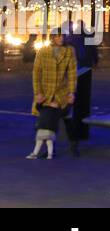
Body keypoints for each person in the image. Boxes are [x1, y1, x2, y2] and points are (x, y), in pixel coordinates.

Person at [29, 31, 76, 159]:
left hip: (61, 91)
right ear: (53, 37)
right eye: (58, 36)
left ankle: (73, 145)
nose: (61, 38)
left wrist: (71, 92)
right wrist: (37, 92)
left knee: (67, 119)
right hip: (45, 92)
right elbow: (36, 73)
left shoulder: (69, 51)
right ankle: (50, 149)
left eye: (63, 36)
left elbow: (72, 73)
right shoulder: (43, 51)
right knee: (45, 121)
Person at [62, 22, 97, 155]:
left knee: (67, 108)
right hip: (84, 72)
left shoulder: (70, 39)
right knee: (81, 106)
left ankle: (73, 138)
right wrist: (94, 62)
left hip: (73, 73)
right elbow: (92, 52)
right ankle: (80, 134)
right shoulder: (87, 38)